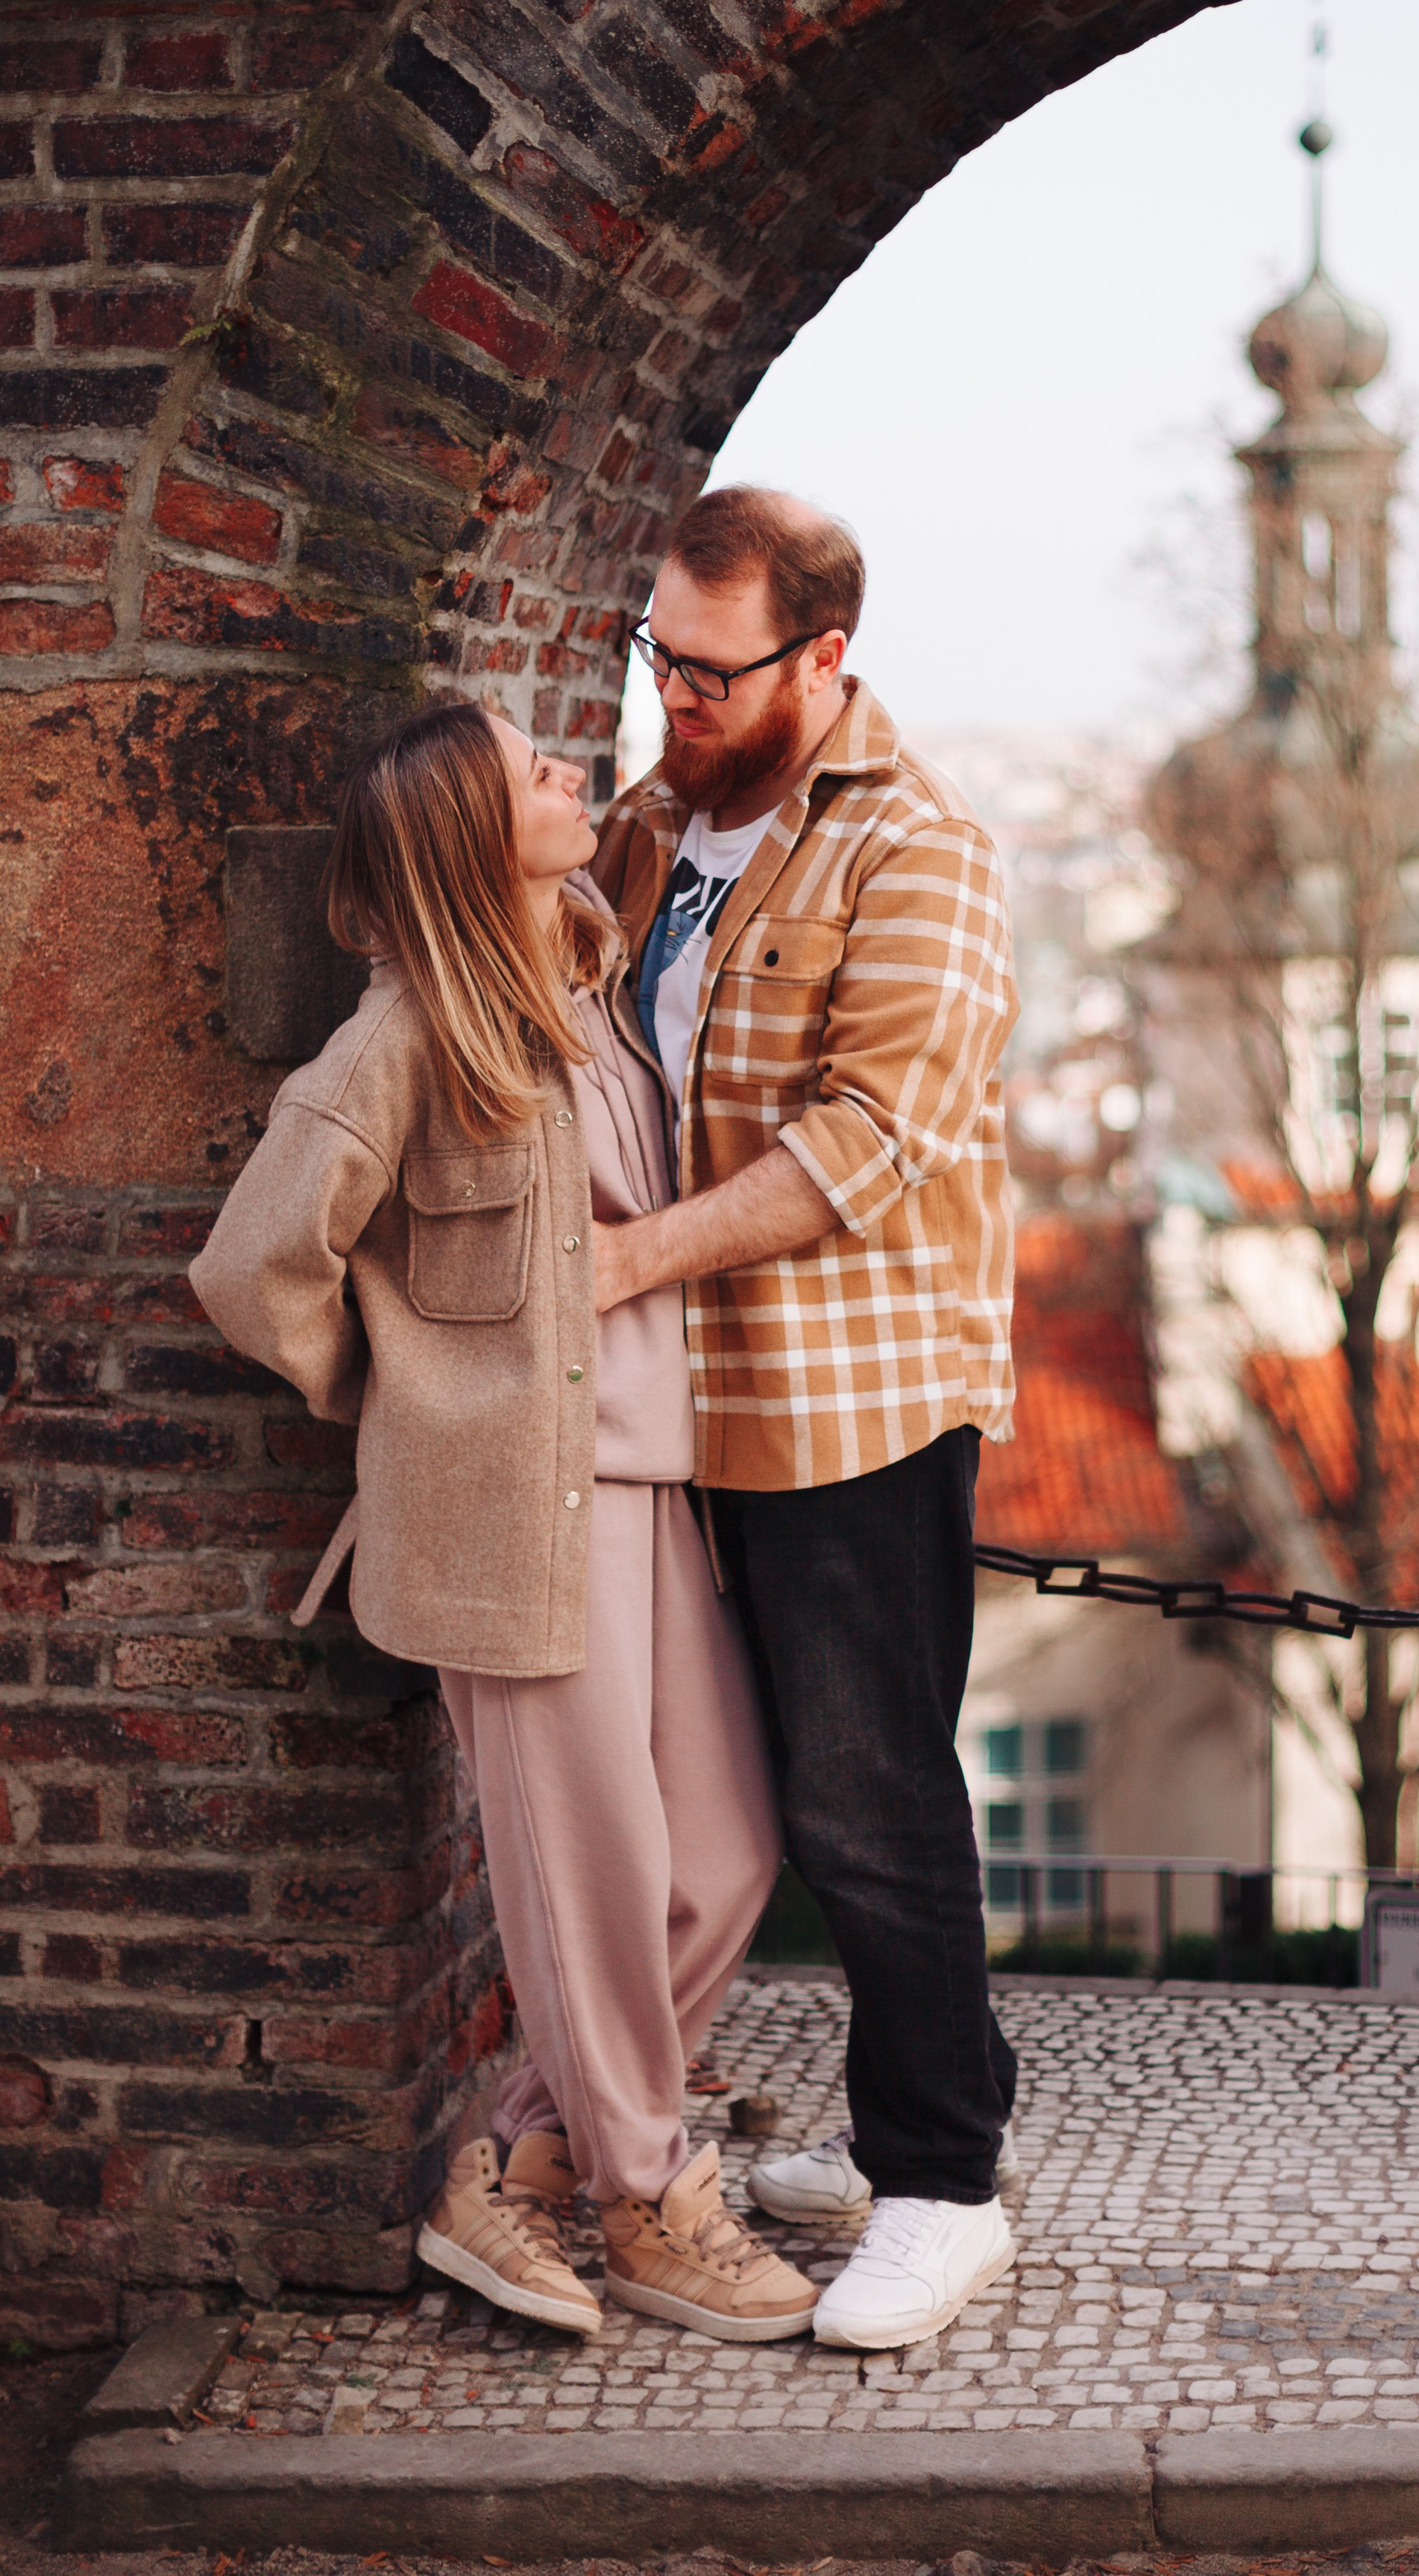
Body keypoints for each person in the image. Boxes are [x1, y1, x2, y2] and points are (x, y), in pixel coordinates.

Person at [189, 699, 816, 2346]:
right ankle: (645, 2198)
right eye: (524, 763)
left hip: (648, 1485)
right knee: (599, 1875)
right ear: (470, 830)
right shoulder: (403, 1037)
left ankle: (521, 2159)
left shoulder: (590, 997)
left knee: (728, 1856)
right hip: (506, 1525)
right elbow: (253, 1268)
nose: (562, 767)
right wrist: (412, 1397)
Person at [589, 486, 1021, 2351]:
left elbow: (858, 1146)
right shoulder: (652, 828)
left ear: (821, 659)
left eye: (707, 668)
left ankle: (941, 2190)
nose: (670, 696)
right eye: (654, 658)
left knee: (871, 1804)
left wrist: (615, 1269)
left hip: (850, 1406)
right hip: (680, 1412)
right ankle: (898, 2123)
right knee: (739, 1809)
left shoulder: (918, 854)